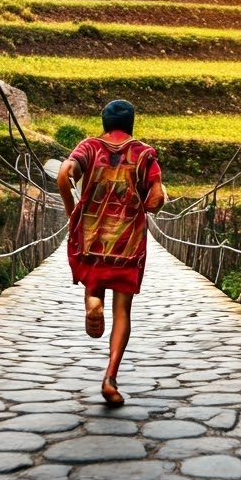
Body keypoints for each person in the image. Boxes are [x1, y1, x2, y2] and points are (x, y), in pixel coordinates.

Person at [57, 100, 166, 406]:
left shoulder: (89, 147)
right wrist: (148, 202)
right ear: (131, 123)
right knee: (123, 312)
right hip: (128, 241)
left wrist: (72, 212)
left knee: (94, 286)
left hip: (92, 236)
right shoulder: (144, 153)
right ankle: (110, 377)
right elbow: (156, 199)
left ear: (104, 123)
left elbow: (65, 173)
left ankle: (93, 304)